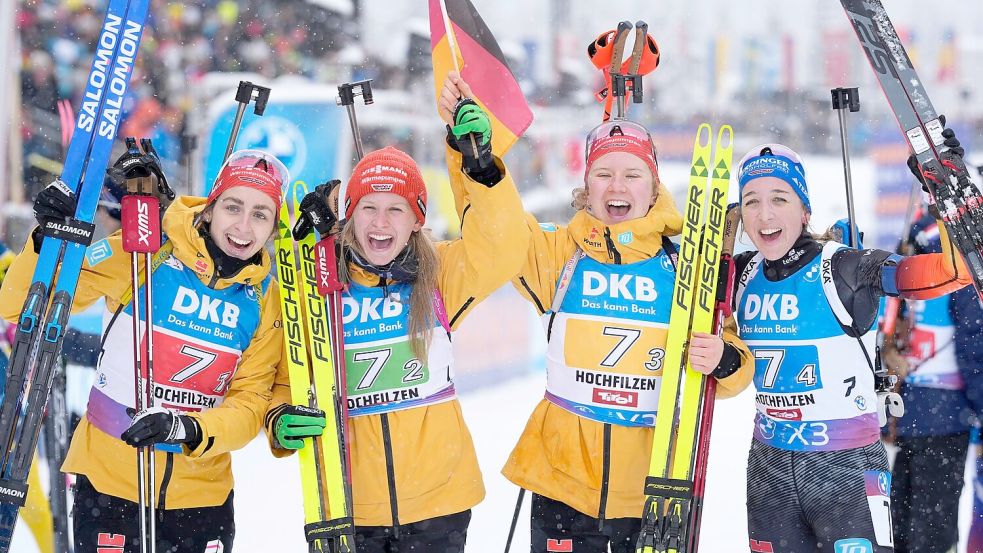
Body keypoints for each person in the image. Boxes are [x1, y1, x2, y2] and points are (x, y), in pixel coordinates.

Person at [438, 70, 754, 551]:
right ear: (587, 186)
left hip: (653, 487)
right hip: (561, 483)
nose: (616, 187)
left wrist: (724, 361)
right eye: (603, 174)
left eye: (632, 174)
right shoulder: (561, 254)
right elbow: (496, 234)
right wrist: (477, 161)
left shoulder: (684, 264)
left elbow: (732, 359)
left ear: (653, 187)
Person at [264, 99, 530, 551]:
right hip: (349, 504)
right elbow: (287, 375)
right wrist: (277, 417)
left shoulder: (441, 273)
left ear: (417, 221)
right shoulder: (317, 283)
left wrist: (481, 169)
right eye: (369, 208)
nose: (381, 223)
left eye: (396, 210)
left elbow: (504, 247)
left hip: (438, 504)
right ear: (350, 215)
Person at [0, 147, 288, 553]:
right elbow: (19, 307)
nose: (243, 225)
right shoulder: (142, 254)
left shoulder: (264, 298)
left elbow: (251, 402)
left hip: (202, 501)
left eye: (260, 214)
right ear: (209, 209)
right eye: (233, 206)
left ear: (273, 227)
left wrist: (190, 428)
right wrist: (46, 241)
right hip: (110, 487)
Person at [732, 143, 972, 552]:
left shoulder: (843, 267)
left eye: (779, 199)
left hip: (844, 466)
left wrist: (950, 198)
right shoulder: (739, 274)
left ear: (804, 209)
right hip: (768, 466)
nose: (765, 214)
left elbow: (949, 273)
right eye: (751, 201)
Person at [880, 209, 983, 553]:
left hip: (912, 408)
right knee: (932, 529)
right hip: (945, 411)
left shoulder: (919, 243)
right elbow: (973, 340)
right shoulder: (963, 254)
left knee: (903, 523)